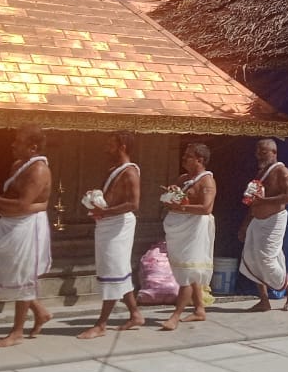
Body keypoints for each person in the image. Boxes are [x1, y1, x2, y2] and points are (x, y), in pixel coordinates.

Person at [0, 124, 52, 348]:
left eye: (18, 142)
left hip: (27, 226)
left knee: (23, 275)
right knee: (12, 270)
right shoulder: (18, 165)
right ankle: (40, 312)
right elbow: (10, 195)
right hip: (10, 224)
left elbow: (23, 204)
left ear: (33, 147)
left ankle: (17, 331)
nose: (13, 145)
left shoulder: (39, 170)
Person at [79, 132, 145, 338]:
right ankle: (135, 314)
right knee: (117, 269)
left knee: (113, 270)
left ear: (122, 146)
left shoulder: (130, 172)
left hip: (119, 225)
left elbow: (134, 204)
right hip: (108, 223)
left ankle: (101, 324)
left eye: (110, 145)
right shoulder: (114, 170)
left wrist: (105, 212)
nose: (106, 148)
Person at [240, 138, 288, 311]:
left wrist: (265, 200)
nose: (259, 154)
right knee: (252, 258)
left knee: (266, 260)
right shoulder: (259, 175)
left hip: (274, 221)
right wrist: (245, 224)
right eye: (258, 151)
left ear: (274, 153)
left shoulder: (282, 171)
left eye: (264, 151)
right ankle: (264, 300)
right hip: (256, 222)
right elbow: (253, 203)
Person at [161, 143, 217, 330]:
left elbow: (206, 208)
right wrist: (171, 197)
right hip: (180, 229)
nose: (184, 159)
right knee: (188, 268)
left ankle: (175, 316)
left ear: (199, 160)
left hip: (195, 230)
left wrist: (181, 207)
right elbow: (173, 198)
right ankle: (199, 309)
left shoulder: (207, 181)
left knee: (187, 271)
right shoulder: (183, 178)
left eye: (188, 156)